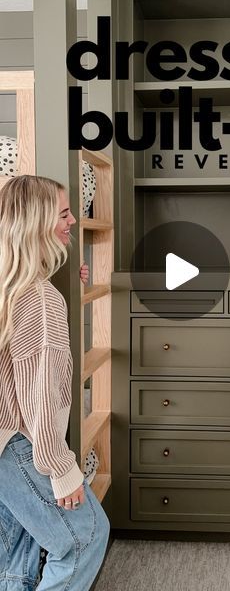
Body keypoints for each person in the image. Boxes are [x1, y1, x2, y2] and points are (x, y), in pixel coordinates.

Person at [0, 175, 110, 590]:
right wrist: (60, 467)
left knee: (15, 556)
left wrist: (63, 275)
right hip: (18, 442)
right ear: (36, 222)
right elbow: (41, 397)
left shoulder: (10, 285)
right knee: (86, 539)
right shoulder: (40, 298)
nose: (72, 222)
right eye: (64, 214)